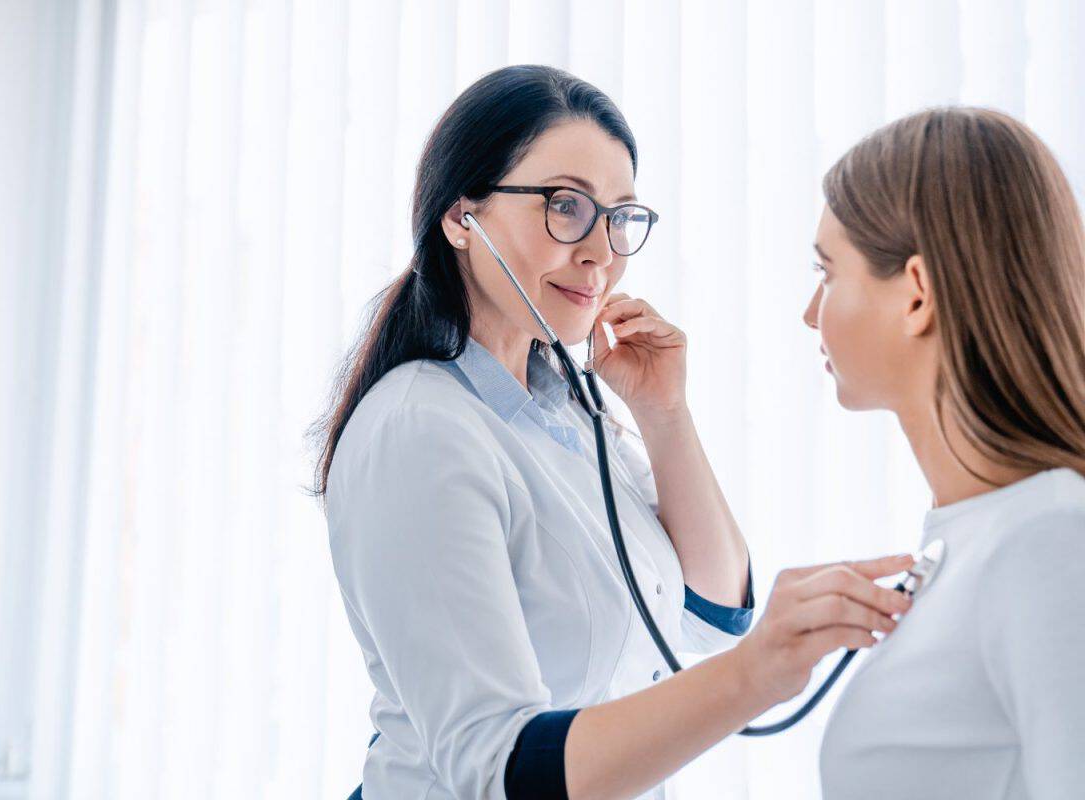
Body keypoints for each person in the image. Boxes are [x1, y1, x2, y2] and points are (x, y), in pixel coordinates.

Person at [312, 65, 912, 800]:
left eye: (619, 215)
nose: (601, 250)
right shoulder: (420, 432)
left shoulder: (566, 408)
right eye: (566, 206)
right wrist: (757, 673)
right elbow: (495, 769)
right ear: (460, 219)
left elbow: (713, 614)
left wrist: (665, 415)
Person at [808, 107, 1085, 799]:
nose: (810, 313)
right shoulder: (987, 535)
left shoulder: (1050, 544)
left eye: (828, 272)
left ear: (917, 295)